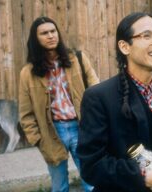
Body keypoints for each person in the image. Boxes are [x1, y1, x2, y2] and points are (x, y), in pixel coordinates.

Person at [77, 12, 152, 192]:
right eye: (146, 35)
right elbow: (91, 166)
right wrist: (144, 177)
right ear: (125, 46)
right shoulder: (99, 97)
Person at [19, 16, 99, 192]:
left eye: (53, 31)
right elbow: (25, 113)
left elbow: (97, 92)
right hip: (52, 133)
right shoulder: (28, 73)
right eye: (44, 33)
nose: (50, 36)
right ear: (36, 38)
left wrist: (95, 124)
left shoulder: (78, 59)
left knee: (92, 182)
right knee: (59, 186)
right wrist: (37, 140)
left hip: (81, 128)